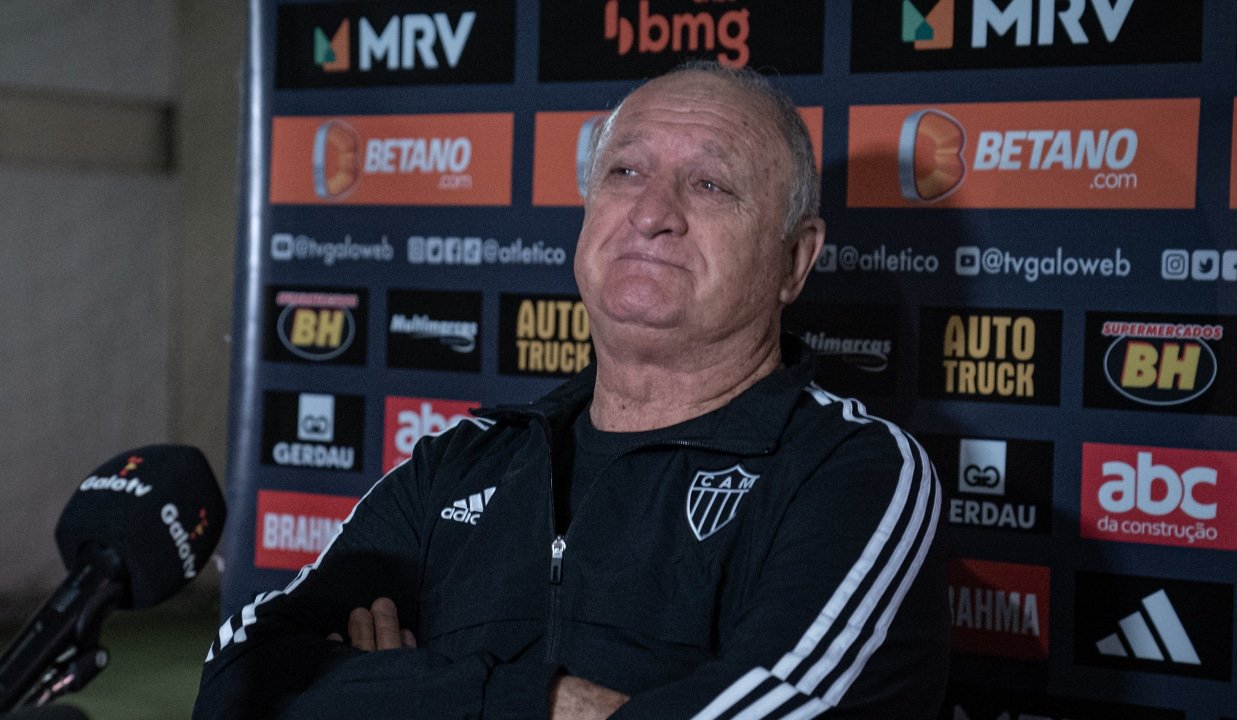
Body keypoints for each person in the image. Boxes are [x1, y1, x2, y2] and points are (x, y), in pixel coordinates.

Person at [194, 61, 948, 720]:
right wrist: (550, 703)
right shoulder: (458, 464)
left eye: (710, 184)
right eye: (625, 173)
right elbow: (239, 681)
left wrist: (400, 692)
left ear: (795, 259)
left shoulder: (853, 474)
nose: (652, 213)